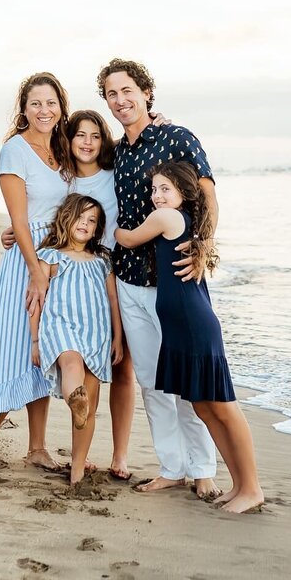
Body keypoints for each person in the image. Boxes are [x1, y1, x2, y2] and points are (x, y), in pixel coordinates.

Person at [98, 57, 221, 497]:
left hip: (175, 279)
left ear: (146, 92)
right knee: (152, 381)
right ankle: (171, 466)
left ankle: (202, 468)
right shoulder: (117, 152)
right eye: (112, 94)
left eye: (127, 90)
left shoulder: (177, 137)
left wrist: (204, 245)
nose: (120, 100)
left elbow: (206, 190)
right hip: (129, 280)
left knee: (188, 381)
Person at [116, 161, 264, 513]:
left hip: (194, 325)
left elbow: (128, 238)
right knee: (202, 406)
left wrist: (110, 223)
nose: (157, 196)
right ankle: (238, 484)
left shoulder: (169, 218)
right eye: (154, 190)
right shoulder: (183, 222)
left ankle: (252, 487)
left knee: (224, 408)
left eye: (165, 188)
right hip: (179, 328)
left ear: (184, 193)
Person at [0, 72, 72, 469]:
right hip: (27, 264)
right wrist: (35, 271)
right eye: (35, 104)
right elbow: (20, 217)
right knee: (15, 348)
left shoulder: (63, 151)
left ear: (61, 107)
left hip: (59, 261)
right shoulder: (15, 150)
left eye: (51, 103)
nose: (44, 110)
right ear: (24, 109)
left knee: (42, 354)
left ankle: (37, 448)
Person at [62, 109, 136, 481]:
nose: (88, 142)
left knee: (121, 367)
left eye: (95, 135)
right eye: (80, 135)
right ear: (70, 139)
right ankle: (79, 452)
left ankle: (120, 454)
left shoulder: (114, 175)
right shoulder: (62, 178)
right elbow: (44, 219)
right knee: (78, 364)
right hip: (73, 284)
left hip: (114, 273)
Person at [30, 193, 124, 486]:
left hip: (96, 331)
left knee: (91, 402)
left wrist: (117, 338)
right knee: (72, 364)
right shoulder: (50, 256)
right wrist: (35, 340)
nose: (85, 223)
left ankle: (78, 471)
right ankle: (76, 399)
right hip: (61, 326)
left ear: (98, 228)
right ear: (66, 219)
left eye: (92, 220)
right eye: (80, 217)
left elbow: (112, 300)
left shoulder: (102, 260)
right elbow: (36, 299)